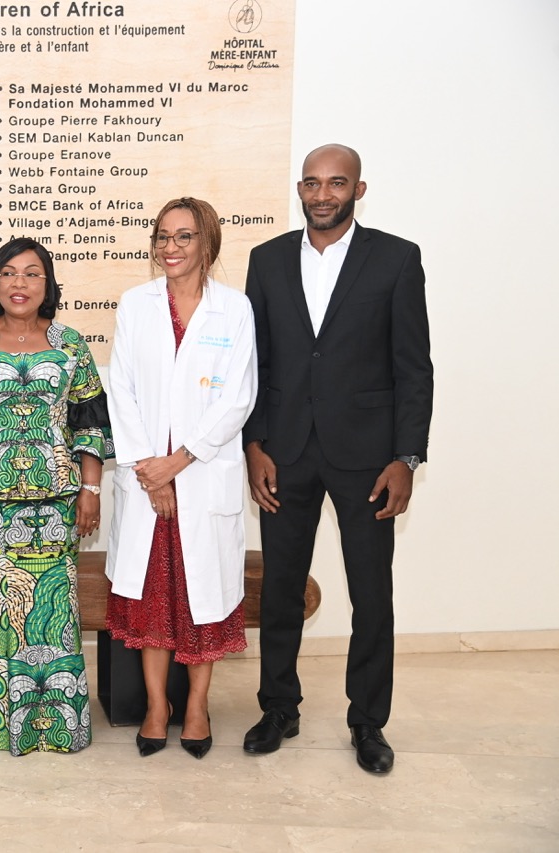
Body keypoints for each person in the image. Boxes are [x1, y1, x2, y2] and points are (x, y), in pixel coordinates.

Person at [242, 144, 433, 774]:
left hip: (369, 458)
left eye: (337, 183)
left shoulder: (398, 259)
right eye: (312, 184)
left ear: (359, 189)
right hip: (286, 453)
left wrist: (406, 455)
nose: (323, 194)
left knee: (371, 593)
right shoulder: (266, 260)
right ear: (299, 189)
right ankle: (279, 708)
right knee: (280, 592)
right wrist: (254, 445)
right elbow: (258, 364)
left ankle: (368, 723)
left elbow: (413, 367)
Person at [0, 237, 113, 755]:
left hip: (57, 504)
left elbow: (90, 424)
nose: (19, 284)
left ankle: (55, 727)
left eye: (32, 274)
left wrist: (91, 489)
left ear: (48, 285)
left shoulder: (72, 344)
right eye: (8, 274)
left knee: (54, 613)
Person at [104, 197, 257, 759]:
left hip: (201, 474)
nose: (170, 247)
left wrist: (180, 459)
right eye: (162, 236)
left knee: (202, 600)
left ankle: (195, 706)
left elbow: (237, 398)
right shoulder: (135, 304)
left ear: (207, 244)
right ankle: (156, 706)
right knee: (151, 601)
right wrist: (151, 467)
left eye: (184, 237)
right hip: (149, 482)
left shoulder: (234, 310)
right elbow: (121, 389)